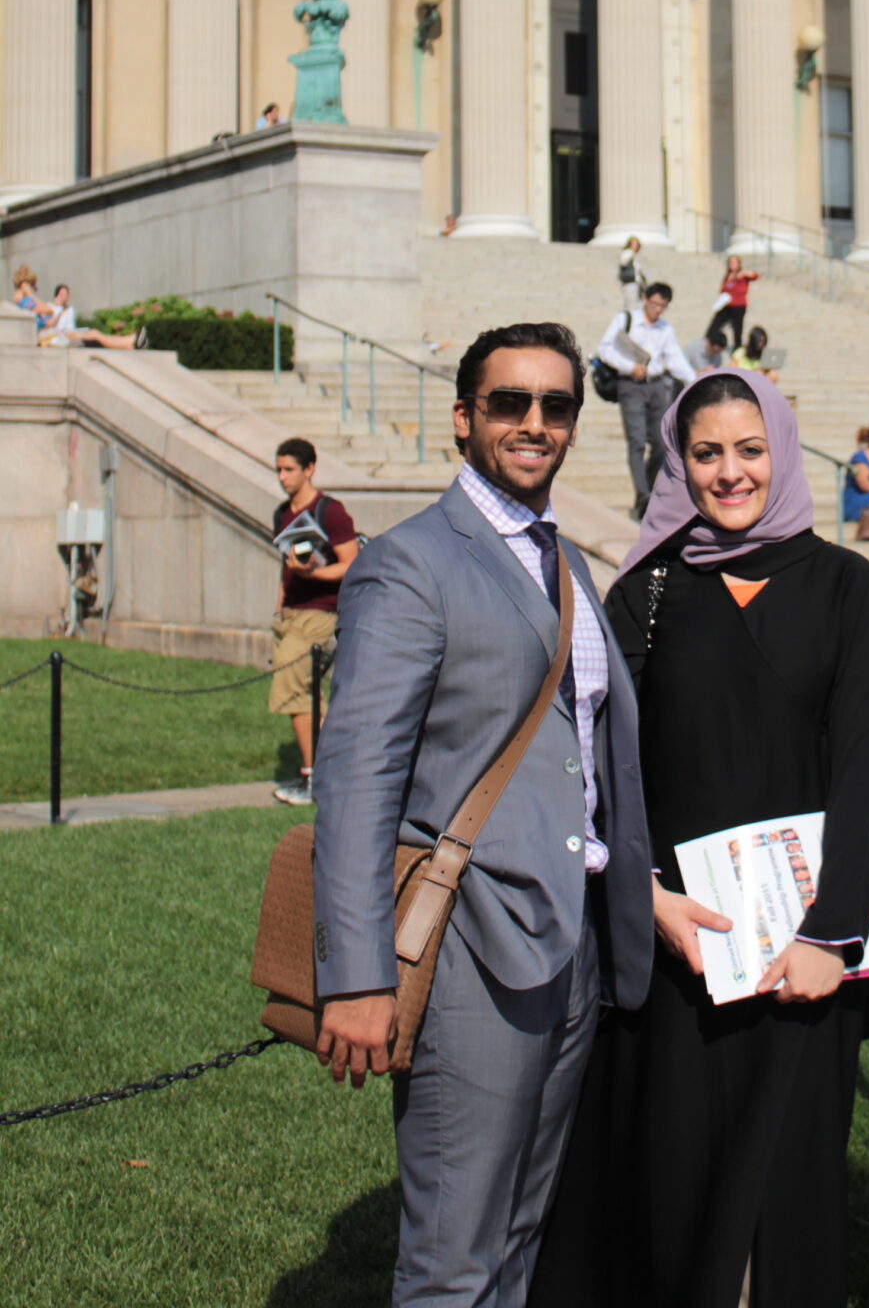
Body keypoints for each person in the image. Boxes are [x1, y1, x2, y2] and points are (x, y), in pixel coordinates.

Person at [533, 368, 869, 1308]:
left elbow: (865, 769)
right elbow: (595, 766)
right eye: (705, 454)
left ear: (781, 453)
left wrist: (831, 935)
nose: (729, 473)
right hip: (678, 951)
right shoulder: (646, 592)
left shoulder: (844, 587)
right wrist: (644, 898)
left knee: (785, 1201)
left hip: (801, 957)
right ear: (677, 464)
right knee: (675, 1196)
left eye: (748, 450)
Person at [311, 322, 653, 1308]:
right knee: (452, 1257)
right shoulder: (410, 562)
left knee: (517, 1235)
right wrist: (357, 973)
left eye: (556, 405)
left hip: (572, 943)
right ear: (463, 418)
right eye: (509, 402)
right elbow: (357, 778)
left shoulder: (567, 561)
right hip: (467, 944)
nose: (533, 422)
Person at [269, 437, 360, 805]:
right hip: (290, 615)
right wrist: (280, 603)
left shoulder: (330, 511)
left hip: (320, 613)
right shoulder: (282, 513)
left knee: (294, 691)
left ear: (310, 469)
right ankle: (332, 774)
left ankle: (314, 777)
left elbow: (352, 564)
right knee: (305, 695)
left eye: (289, 469)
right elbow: (285, 565)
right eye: (278, 469)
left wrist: (312, 574)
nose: (282, 477)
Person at [598, 283, 695, 520]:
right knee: (637, 440)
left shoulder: (665, 329)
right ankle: (642, 495)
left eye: (663, 306)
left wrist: (694, 381)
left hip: (656, 385)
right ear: (645, 299)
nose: (657, 310)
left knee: (662, 443)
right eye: (654, 304)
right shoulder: (625, 320)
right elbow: (605, 349)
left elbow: (675, 359)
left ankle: (649, 491)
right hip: (630, 385)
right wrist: (629, 367)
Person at [37, 284, 146, 349]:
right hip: (58, 337)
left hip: (69, 334)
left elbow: (71, 327)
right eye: (62, 294)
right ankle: (129, 342)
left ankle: (129, 342)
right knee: (95, 335)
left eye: (66, 294)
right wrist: (59, 309)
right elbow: (50, 325)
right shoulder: (49, 307)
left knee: (94, 334)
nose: (64, 297)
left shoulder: (70, 309)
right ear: (56, 295)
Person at [706, 254, 760, 352]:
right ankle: (711, 343)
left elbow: (756, 276)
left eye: (735, 262)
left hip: (739, 306)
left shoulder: (743, 275)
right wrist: (731, 279)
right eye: (731, 262)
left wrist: (745, 273)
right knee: (714, 326)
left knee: (737, 330)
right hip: (727, 305)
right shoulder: (728, 276)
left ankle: (737, 349)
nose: (733, 264)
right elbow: (723, 290)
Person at [617, 235, 648, 312]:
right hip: (630, 281)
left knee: (637, 304)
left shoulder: (634, 255)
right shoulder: (628, 252)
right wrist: (631, 252)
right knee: (631, 305)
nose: (635, 246)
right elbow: (623, 262)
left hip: (637, 283)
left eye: (636, 244)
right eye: (633, 244)